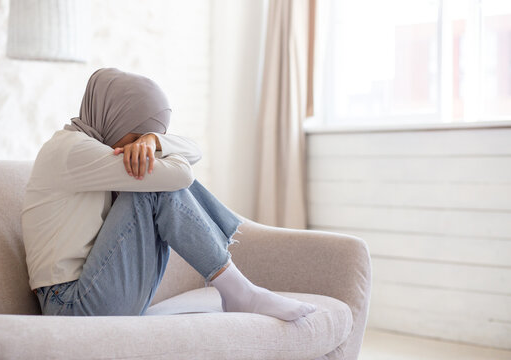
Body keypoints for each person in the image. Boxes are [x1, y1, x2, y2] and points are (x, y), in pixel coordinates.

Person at [21, 68, 317, 321]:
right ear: (115, 119)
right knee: (150, 189)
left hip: (95, 292)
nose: (139, 147)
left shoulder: (91, 150)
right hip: (70, 306)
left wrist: (155, 141)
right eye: (136, 136)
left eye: (145, 139)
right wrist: (156, 149)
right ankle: (240, 292)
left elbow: (193, 152)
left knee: (152, 181)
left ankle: (238, 291)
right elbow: (181, 173)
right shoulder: (72, 150)